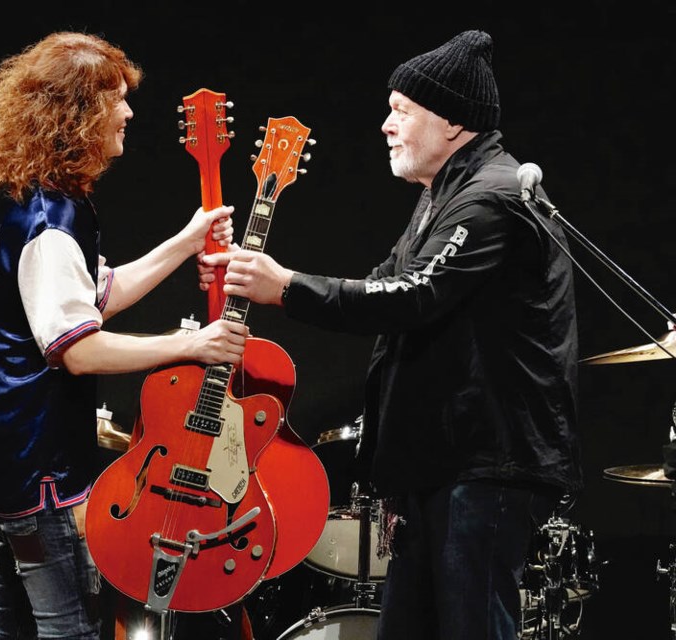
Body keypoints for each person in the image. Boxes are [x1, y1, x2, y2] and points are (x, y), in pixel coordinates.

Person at [201, 29, 583, 640]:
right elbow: (385, 282)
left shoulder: (491, 197)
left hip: (489, 464)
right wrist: (259, 275)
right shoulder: (445, 195)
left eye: (401, 111)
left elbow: (413, 296)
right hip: (445, 466)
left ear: (452, 122)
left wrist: (289, 286)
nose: (385, 124)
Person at [0, 31, 247, 640]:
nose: (129, 112)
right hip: (36, 463)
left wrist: (186, 240)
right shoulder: (51, 223)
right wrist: (191, 344)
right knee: (71, 633)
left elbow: (96, 296)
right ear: (79, 114)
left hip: (6, 448)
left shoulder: (53, 202)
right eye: (116, 99)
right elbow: (79, 349)